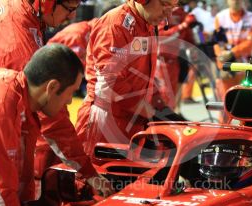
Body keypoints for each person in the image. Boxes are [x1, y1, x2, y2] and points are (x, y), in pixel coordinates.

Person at [0, 44, 111, 206]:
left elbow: (61, 132)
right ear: (52, 87)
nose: (70, 101)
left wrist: (90, 174)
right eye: (71, 92)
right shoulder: (2, 105)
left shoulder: (24, 96)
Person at [75, 0, 180, 158]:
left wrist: (162, 109)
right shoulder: (115, 26)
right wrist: (152, 113)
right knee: (97, 180)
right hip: (105, 123)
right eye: (164, 4)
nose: (168, 13)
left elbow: (144, 77)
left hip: (132, 120)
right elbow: (111, 86)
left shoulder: (147, 24)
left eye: (172, 7)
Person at [213, 0, 252, 100]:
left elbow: (250, 43)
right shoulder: (220, 17)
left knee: (248, 100)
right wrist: (222, 65)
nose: (236, 1)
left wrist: (232, 53)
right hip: (227, 65)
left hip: (247, 65)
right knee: (226, 100)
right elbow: (218, 43)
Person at [155, 6, 196, 109]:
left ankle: (175, 113)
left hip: (179, 56)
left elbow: (187, 35)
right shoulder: (160, 9)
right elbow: (160, 36)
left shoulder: (182, 12)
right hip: (165, 58)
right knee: (166, 93)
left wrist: (194, 46)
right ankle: (167, 118)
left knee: (177, 91)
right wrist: (183, 26)